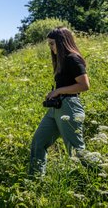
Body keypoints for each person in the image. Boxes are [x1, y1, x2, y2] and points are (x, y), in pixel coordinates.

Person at [29, 27, 90, 176]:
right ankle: (36, 181)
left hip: (69, 107)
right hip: (56, 108)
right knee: (38, 142)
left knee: (76, 150)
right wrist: (54, 93)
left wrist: (58, 91)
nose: (50, 47)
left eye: (52, 44)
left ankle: (99, 177)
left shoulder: (72, 59)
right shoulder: (62, 61)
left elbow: (84, 85)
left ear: (62, 42)